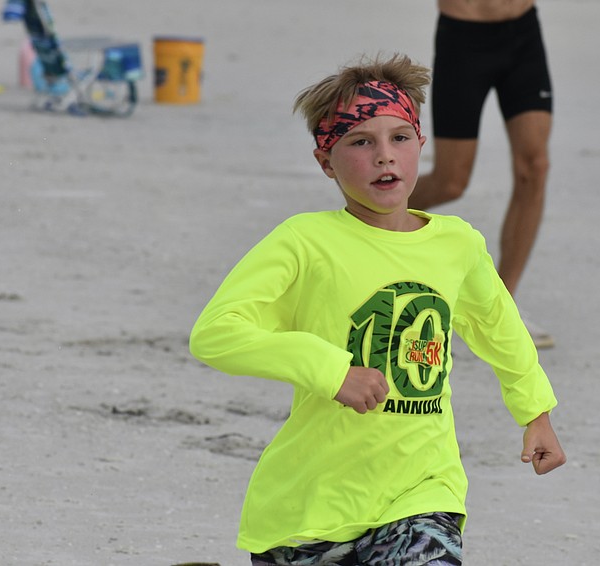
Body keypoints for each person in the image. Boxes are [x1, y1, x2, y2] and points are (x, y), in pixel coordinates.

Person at [189, 53, 565, 566]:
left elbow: (500, 328)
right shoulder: (304, 241)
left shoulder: (457, 244)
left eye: (399, 138)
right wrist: (330, 370)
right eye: (361, 142)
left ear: (420, 147)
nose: (384, 156)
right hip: (309, 510)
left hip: (423, 492)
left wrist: (535, 412)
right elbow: (216, 333)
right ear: (326, 161)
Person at [408, 0, 555, 348]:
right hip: (464, 36)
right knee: (450, 182)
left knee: (534, 167)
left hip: (523, 31)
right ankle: (367, 217)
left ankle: (502, 307)